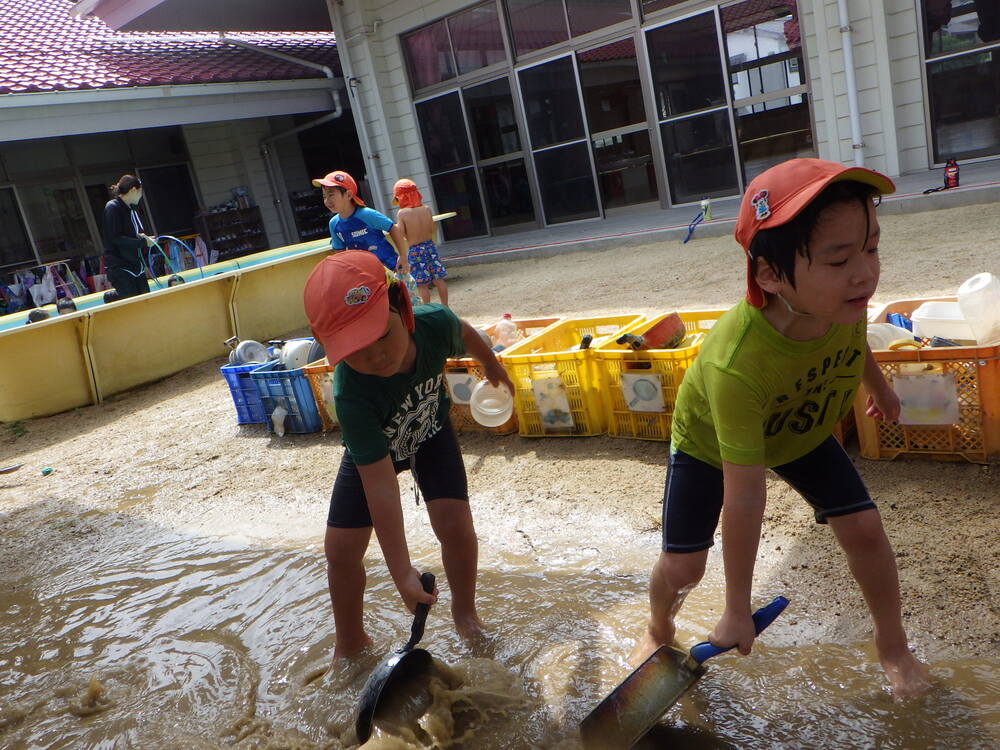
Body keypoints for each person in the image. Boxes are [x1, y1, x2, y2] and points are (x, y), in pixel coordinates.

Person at [629, 158, 931, 700]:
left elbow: (854, 338)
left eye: (872, 247)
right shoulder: (736, 365)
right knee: (683, 567)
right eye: (839, 258)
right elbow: (744, 497)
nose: (865, 273)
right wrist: (736, 609)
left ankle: (894, 646)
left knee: (865, 530)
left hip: (800, 426)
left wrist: (878, 388)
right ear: (768, 274)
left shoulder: (843, 299)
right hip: (709, 442)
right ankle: (657, 627)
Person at [303, 249, 514, 664]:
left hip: (429, 432)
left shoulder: (434, 324)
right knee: (341, 550)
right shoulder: (351, 393)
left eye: (382, 334)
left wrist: (491, 367)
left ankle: (465, 615)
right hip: (375, 452)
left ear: (403, 308)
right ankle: (350, 643)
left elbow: (466, 332)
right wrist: (401, 571)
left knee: (455, 526)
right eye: (355, 348)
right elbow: (381, 487)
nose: (375, 356)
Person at [313, 170, 409, 275]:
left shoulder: (367, 214)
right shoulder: (334, 224)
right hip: (365, 276)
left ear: (348, 195)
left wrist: (403, 256)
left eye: (331, 195)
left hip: (391, 268)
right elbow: (340, 253)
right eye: (324, 196)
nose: (327, 201)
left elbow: (393, 228)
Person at [392, 178, 449, 306]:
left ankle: (428, 308)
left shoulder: (402, 213)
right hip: (430, 246)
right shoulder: (427, 209)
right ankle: (446, 306)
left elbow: (400, 234)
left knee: (422, 284)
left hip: (415, 250)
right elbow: (431, 228)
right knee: (439, 279)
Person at [101, 175, 155, 299]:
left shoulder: (130, 208)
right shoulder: (113, 208)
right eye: (140, 192)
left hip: (135, 264)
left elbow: (133, 233)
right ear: (133, 190)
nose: (141, 196)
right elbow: (115, 238)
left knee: (147, 302)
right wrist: (143, 243)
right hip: (120, 266)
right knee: (133, 305)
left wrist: (145, 239)